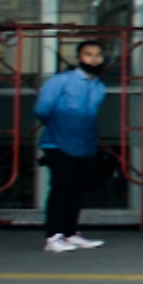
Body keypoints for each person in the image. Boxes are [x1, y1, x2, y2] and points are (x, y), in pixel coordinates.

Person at [33, 39, 108, 252]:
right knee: (60, 189)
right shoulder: (60, 82)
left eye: (98, 55)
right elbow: (42, 110)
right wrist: (61, 127)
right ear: (79, 58)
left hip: (85, 145)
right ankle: (54, 236)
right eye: (89, 54)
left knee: (77, 190)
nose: (94, 59)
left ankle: (70, 233)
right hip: (58, 143)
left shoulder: (99, 87)